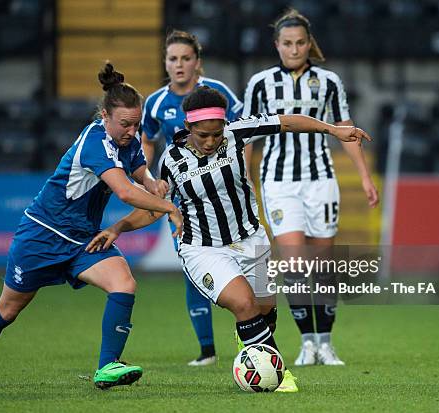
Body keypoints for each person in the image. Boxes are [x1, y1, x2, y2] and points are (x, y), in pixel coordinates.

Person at [88, 86, 372, 392]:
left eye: (216, 133)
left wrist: (333, 130)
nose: (211, 141)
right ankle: (278, 376)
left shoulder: (238, 133)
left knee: (266, 313)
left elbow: (289, 121)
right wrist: (119, 227)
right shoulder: (171, 160)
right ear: (188, 127)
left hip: (253, 240)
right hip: (203, 249)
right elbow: (155, 209)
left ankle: (248, 339)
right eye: (203, 135)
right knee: (245, 304)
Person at [0, 63, 183, 391]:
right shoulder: (95, 141)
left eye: (136, 123)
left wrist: (152, 183)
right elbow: (124, 191)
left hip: (82, 239)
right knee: (9, 308)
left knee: (124, 284)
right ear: (104, 116)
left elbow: (138, 172)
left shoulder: (127, 137)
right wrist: (168, 206)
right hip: (42, 235)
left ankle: (107, 367)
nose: (132, 131)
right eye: (125, 124)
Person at [243, 9, 379, 367]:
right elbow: (246, 137)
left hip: (321, 180)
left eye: (300, 42)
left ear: (309, 43)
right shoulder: (260, 83)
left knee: (323, 264)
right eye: (287, 43)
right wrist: (244, 177)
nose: (294, 49)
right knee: (294, 260)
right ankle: (306, 343)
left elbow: (346, 129)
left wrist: (364, 176)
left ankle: (325, 342)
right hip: (278, 181)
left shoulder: (329, 81)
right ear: (277, 45)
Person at [141, 30, 243, 366]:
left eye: (186, 58)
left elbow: (244, 133)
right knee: (193, 268)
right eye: (173, 59)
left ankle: (251, 334)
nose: (179, 64)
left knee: (245, 264)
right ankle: (207, 350)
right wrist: (151, 180)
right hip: (186, 201)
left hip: (228, 197)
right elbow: (147, 141)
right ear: (166, 63)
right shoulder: (156, 102)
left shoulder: (216, 93)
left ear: (197, 62)